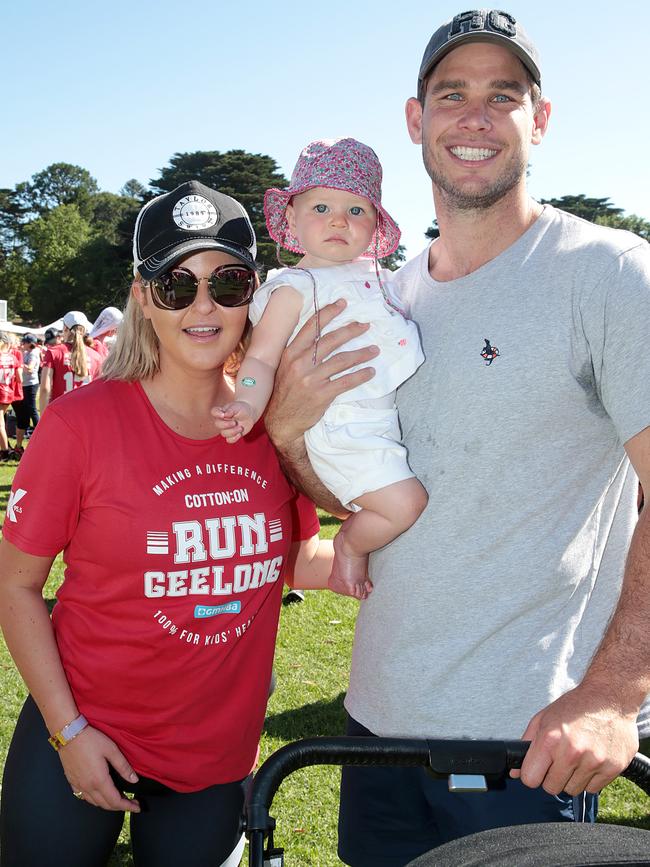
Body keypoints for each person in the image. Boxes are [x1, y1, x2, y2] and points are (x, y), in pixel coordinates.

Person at [261, 10, 650, 865]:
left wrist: (617, 689)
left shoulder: (608, 273)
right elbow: (363, 490)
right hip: (374, 726)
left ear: (537, 120)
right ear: (416, 119)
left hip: (527, 739)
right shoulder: (386, 298)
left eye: (501, 96)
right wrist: (291, 437)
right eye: (452, 94)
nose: (474, 117)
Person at [0, 180, 335, 867]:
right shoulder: (77, 425)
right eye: (178, 285)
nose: (204, 305)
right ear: (144, 296)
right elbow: (16, 588)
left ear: (257, 295)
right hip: (83, 728)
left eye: (228, 282)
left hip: (212, 757)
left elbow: (301, 561)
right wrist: (69, 731)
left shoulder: (275, 429)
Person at [214, 138, 427, 600]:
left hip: (379, 423)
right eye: (322, 206)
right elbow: (260, 358)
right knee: (404, 505)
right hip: (341, 428)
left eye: (356, 211)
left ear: (374, 225)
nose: (338, 220)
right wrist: (247, 401)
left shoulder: (385, 282)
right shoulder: (295, 287)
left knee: (406, 501)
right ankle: (349, 547)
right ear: (291, 218)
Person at [39, 310, 103, 411]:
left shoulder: (53, 352)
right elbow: (99, 392)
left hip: (61, 414)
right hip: (85, 415)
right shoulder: (96, 357)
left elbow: (45, 389)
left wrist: (42, 419)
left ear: (65, 328)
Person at [11, 332, 41, 457]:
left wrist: (18, 364)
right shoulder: (27, 352)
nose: (22, 344)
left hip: (30, 385)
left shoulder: (33, 354)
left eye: (24, 343)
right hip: (25, 385)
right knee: (24, 413)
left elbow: (30, 368)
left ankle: (40, 430)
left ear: (30, 344)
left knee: (32, 409)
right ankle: (19, 444)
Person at [0, 331, 21, 461]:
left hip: (0, 390)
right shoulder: (13, 357)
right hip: (8, 392)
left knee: (0, 423)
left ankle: (5, 451)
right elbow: (19, 378)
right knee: (2, 421)